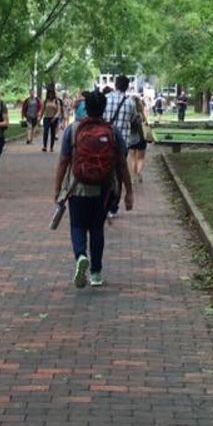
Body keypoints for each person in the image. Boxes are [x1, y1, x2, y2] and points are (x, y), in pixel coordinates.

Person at [53, 88, 133, 289]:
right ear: (103, 108)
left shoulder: (73, 130)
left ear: (85, 107)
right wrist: (128, 191)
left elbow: (63, 161)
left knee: (77, 226)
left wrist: (57, 189)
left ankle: (81, 255)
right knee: (97, 228)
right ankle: (96, 273)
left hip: (77, 187)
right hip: (103, 189)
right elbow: (122, 163)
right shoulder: (112, 131)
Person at [103, 75, 136, 222]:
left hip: (105, 141)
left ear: (115, 85)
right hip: (122, 143)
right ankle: (113, 207)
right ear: (127, 86)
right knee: (119, 173)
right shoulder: (130, 102)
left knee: (103, 171)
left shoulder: (106, 98)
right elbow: (133, 119)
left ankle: (102, 202)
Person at [127, 93, 149, 183]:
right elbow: (146, 124)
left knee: (133, 158)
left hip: (131, 137)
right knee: (141, 158)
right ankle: (139, 172)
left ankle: (134, 176)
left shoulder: (129, 114)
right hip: (142, 136)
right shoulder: (141, 114)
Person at [40, 84, 62, 152]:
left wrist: (55, 117)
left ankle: (51, 147)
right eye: (49, 93)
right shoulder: (45, 101)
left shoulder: (57, 101)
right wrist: (39, 118)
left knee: (53, 133)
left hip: (54, 119)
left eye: (52, 93)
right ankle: (45, 146)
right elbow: (42, 110)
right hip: (46, 118)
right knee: (45, 132)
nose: (50, 95)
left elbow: (59, 111)